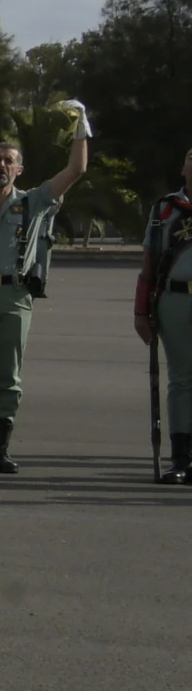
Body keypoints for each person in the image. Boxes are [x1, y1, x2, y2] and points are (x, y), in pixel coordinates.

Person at [0, 110, 90, 473]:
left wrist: (82, 131)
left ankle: (1, 449)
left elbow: (75, 171)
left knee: (8, 376)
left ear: (19, 170)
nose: (1, 165)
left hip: (13, 297)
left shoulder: (33, 202)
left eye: (9, 160)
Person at [140, 144, 192, 484]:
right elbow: (148, 264)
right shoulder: (165, 208)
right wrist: (141, 311)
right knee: (180, 380)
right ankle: (181, 459)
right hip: (174, 300)